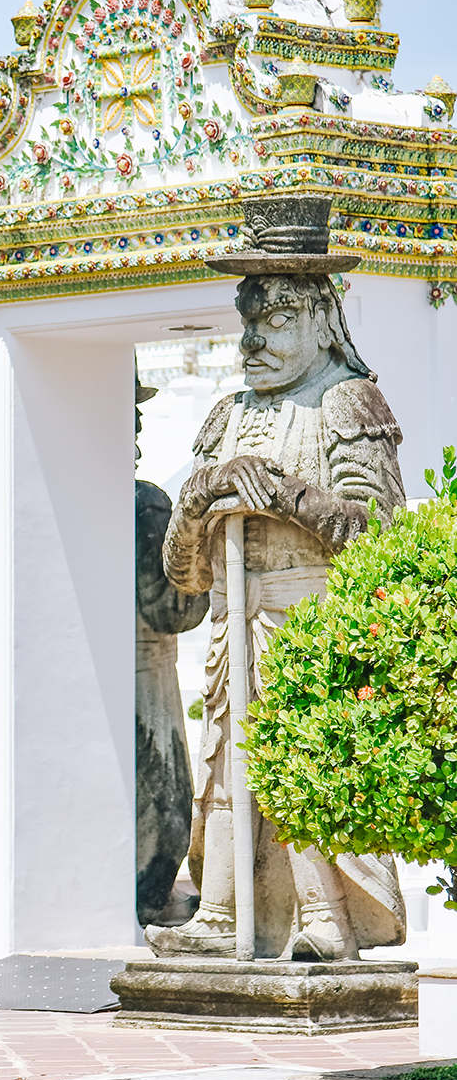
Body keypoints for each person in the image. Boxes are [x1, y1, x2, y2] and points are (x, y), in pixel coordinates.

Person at [146, 197, 406, 962]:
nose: (255, 340)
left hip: (309, 618)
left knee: (305, 759)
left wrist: (293, 496)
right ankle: (223, 911)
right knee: (227, 767)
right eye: (248, 321)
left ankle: (326, 914)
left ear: (322, 320)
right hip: (234, 619)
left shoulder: (348, 402)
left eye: (277, 319)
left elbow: (381, 536)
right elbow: (180, 570)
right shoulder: (225, 417)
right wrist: (205, 489)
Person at [135, 371, 210, 925]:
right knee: (165, 799)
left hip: (116, 666)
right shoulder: (144, 504)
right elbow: (173, 608)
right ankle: (150, 895)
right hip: (143, 671)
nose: (137, 420)